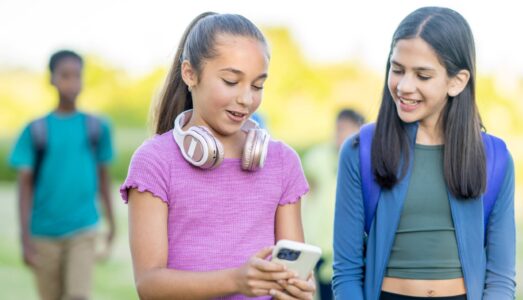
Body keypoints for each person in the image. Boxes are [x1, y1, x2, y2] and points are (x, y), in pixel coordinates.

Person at [120, 12, 316, 300]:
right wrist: (236, 280)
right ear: (190, 74)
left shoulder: (282, 162)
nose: (246, 99)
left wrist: (295, 291)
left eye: (258, 85)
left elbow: (289, 271)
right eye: (231, 81)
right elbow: (149, 284)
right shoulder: (155, 161)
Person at [333, 7, 515, 300]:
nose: (404, 86)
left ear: (457, 81)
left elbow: (501, 277)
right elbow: (347, 271)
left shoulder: (495, 158)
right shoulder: (360, 151)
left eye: (423, 75)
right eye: (397, 69)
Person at [9, 49, 116, 300]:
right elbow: (24, 188)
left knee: (77, 295)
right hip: (44, 234)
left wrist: (112, 223)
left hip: (83, 229)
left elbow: (104, 178)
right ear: (51, 79)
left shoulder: (97, 128)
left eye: (77, 75)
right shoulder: (35, 130)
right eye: (65, 75)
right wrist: (25, 239)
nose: (72, 82)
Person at [302, 108, 364, 299]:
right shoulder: (316, 157)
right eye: (339, 128)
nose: (341, 134)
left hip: (343, 247)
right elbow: (305, 191)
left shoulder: (364, 160)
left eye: (348, 128)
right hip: (315, 245)